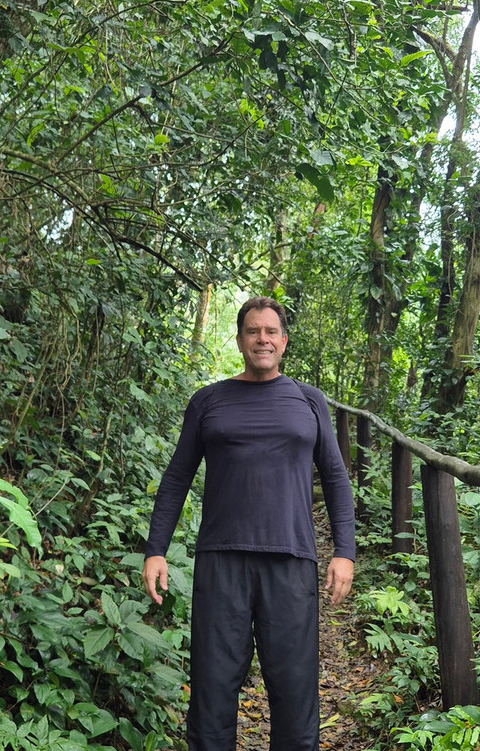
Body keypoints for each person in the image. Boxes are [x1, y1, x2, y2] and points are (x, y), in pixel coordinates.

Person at [142, 296, 356, 751]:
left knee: (295, 691)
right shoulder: (208, 401)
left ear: (284, 340)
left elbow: (336, 478)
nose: (263, 339)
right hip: (221, 562)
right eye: (253, 331)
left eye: (271, 331)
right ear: (240, 340)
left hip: (291, 561)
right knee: (213, 689)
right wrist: (155, 550)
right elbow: (177, 476)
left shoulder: (309, 401)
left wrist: (344, 552)